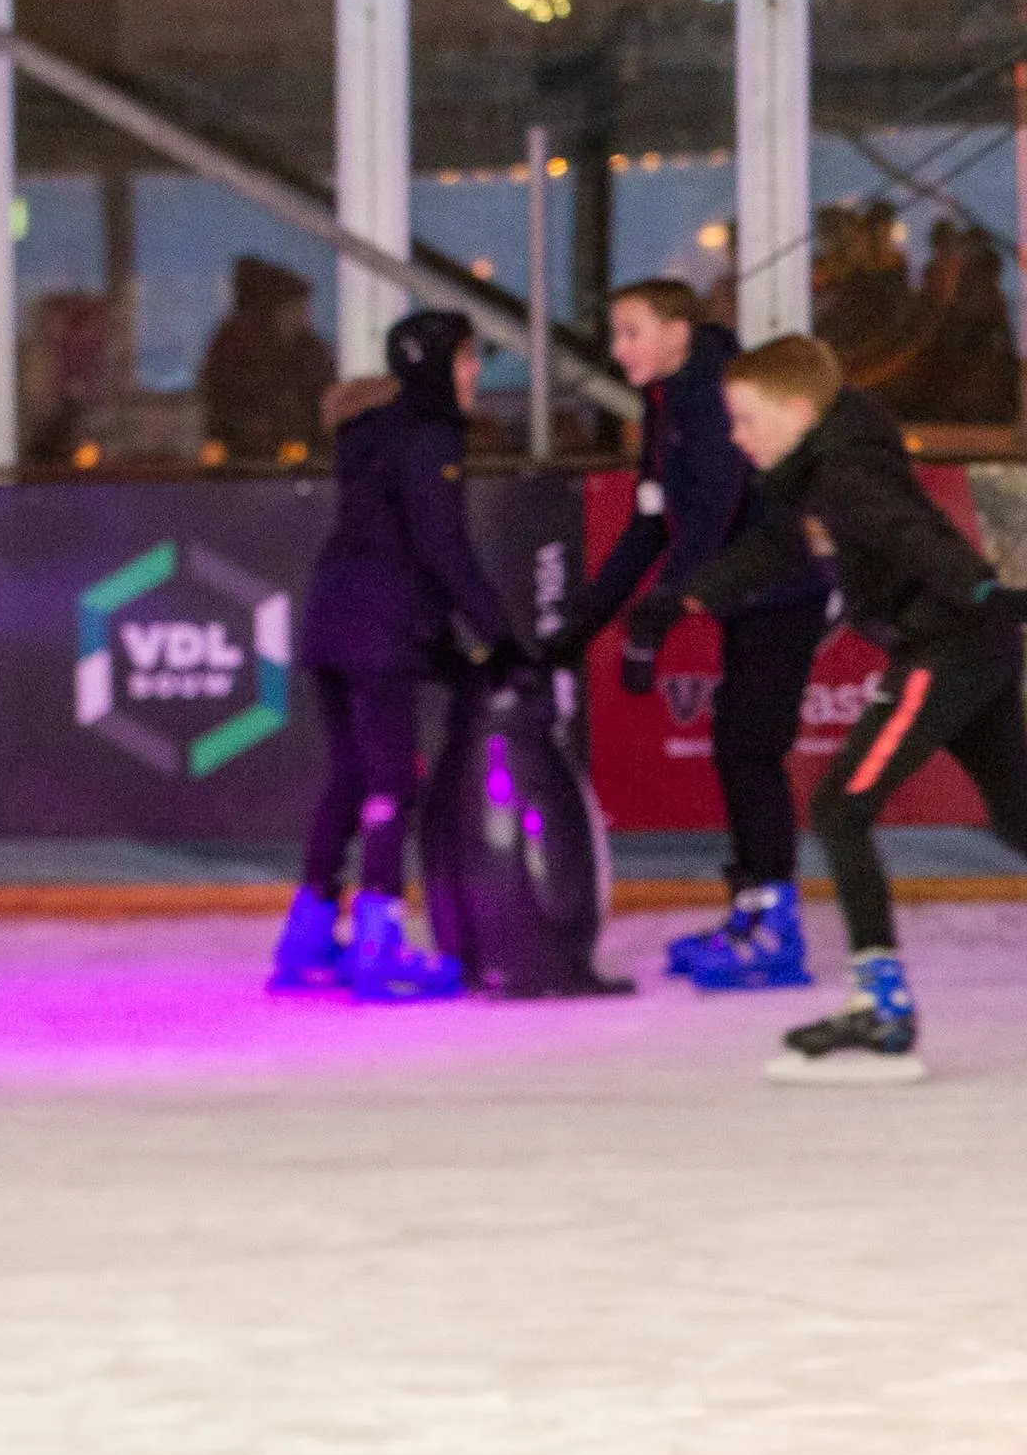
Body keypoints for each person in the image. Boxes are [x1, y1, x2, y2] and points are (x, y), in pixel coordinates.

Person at [676, 333, 1027, 1084]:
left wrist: (983, 590)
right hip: (972, 642)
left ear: (798, 409)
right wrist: (686, 598)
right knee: (1021, 818)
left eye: (747, 419)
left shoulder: (845, 473)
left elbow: (914, 539)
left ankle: (884, 1012)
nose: (737, 437)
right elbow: (780, 548)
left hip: (946, 646)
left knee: (841, 808)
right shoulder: (829, 465)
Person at [536, 278, 822, 992]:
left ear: (677, 331)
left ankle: (775, 928)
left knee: (750, 750)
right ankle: (753, 910)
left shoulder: (719, 396)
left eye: (632, 331)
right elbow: (650, 522)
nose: (618, 348)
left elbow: (714, 521)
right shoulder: (665, 405)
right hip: (742, 597)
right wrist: (586, 621)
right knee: (738, 750)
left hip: (779, 592)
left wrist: (656, 618)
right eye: (616, 332)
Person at [274, 310, 525, 1004]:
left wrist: (452, 647)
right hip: (379, 630)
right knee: (390, 783)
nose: (476, 374)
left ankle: (309, 932)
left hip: (332, 617)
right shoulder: (430, 436)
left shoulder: (372, 433)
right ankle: (378, 937)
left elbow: (393, 540)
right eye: (467, 360)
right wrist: (500, 637)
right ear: (437, 366)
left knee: (351, 777)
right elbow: (439, 545)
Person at [198, 256, 333, 466]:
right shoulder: (236, 346)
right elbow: (221, 394)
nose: (302, 316)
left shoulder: (312, 352)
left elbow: (324, 400)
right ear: (276, 310)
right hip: (237, 459)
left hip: (300, 457)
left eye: (303, 308)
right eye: (294, 308)